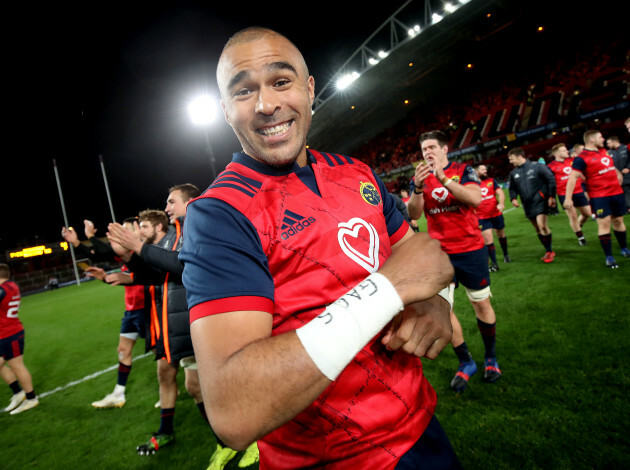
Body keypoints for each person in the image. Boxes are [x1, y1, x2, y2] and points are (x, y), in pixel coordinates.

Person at [179, 27, 460, 469]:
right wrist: (388, 290)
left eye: (281, 81)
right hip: (329, 461)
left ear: (309, 90)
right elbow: (235, 411)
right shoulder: (219, 214)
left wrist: (439, 304)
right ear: (226, 111)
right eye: (243, 90)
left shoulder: (355, 172)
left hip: (422, 427)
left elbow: (427, 258)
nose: (266, 104)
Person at [407, 131, 502, 393]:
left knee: (481, 305)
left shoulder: (464, 170)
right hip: (441, 255)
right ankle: (466, 361)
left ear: (445, 149)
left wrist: (444, 179)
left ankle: (491, 358)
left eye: (432, 148)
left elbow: (475, 199)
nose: (427, 152)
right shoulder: (422, 179)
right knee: (444, 310)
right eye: (424, 149)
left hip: (470, 250)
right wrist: (416, 187)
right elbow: (414, 215)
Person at [84, 212, 168, 409]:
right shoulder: (126, 251)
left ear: (139, 231)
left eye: (126, 229)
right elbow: (103, 254)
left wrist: (90, 237)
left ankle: (169, 389)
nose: (122, 233)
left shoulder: (146, 251)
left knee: (162, 354)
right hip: (131, 310)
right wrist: (105, 277)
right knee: (123, 350)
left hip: (148, 308)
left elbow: (146, 276)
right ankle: (118, 393)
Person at [564, 130, 629, 268]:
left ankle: (624, 248)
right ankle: (609, 257)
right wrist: (568, 198)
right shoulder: (581, 158)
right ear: (592, 140)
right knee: (604, 223)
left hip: (616, 193)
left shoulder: (604, 151)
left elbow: (609, 165)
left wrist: (617, 173)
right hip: (599, 196)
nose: (603, 139)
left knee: (618, 220)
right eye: (600, 137)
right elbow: (572, 177)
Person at [507, 147, 558, 262]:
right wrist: (513, 198)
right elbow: (512, 189)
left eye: (512, 158)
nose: (510, 162)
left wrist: (551, 196)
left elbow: (550, 179)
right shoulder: (514, 173)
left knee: (542, 226)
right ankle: (548, 250)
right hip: (527, 204)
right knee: (538, 229)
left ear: (520, 156)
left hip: (540, 200)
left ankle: (549, 251)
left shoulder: (537, 166)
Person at [0, 263, 39, 415]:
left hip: (10, 333)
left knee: (16, 366)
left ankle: (31, 398)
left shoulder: (5, 289)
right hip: (5, 332)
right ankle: (18, 393)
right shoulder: (11, 286)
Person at [547, 143, 592, 245]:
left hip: (578, 191)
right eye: (564, 150)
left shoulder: (573, 161)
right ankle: (580, 237)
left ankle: (578, 227)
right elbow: (550, 183)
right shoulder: (550, 167)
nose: (567, 151)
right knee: (573, 216)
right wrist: (551, 197)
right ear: (557, 153)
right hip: (564, 194)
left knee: (587, 213)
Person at [474, 164, 510, 270]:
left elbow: (500, 193)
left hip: (496, 214)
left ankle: (506, 255)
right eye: (482, 169)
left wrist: (502, 203)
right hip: (482, 217)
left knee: (501, 234)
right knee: (488, 239)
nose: (485, 170)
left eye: (486, 169)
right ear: (476, 172)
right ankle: (494, 264)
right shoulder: (472, 185)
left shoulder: (491, 181)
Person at [606, 134, 630, 213]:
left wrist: (628, 168)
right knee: (622, 192)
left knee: (627, 191)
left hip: (628, 174)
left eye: (609, 143)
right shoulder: (608, 152)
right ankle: (626, 208)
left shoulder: (626, 148)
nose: (607, 145)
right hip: (616, 177)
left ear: (614, 141)